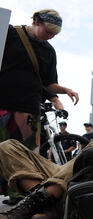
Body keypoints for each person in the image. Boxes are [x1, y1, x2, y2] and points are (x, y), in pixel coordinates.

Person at [0, 9, 79, 151]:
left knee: (28, 156)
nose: (51, 37)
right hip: (3, 104)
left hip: (29, 109)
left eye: (54, 34)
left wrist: (65, 90)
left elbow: (49, 84)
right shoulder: (10, 33)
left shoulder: (49, 51)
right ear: (36, 22)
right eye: (48, 32)